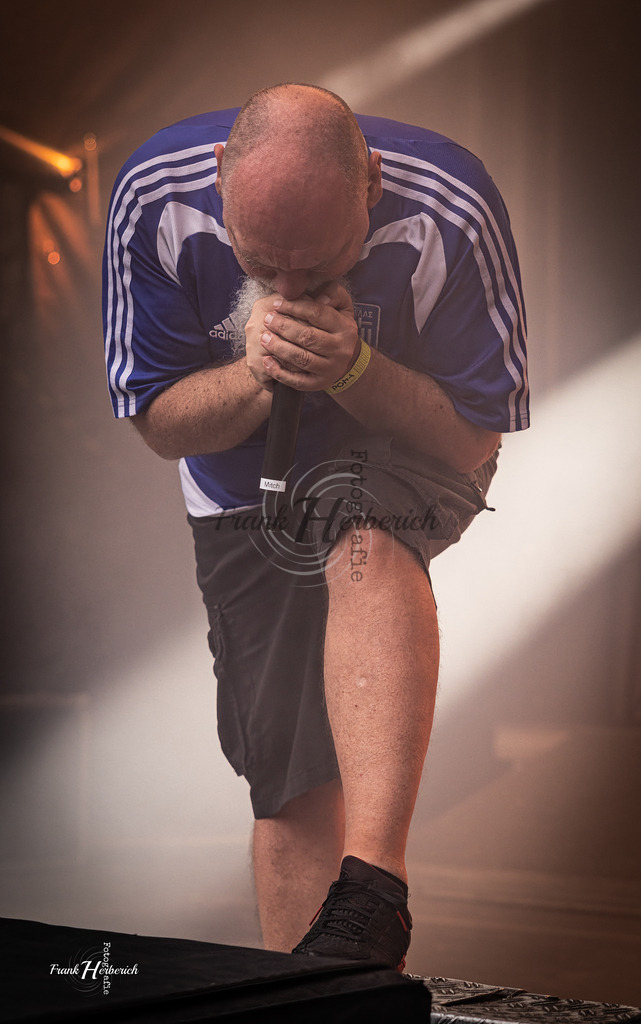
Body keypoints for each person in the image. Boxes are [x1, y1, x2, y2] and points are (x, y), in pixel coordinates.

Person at [103, 83, 528, 971]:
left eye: (321, 259)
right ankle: (314, 993)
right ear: (219, 179)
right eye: (263, 260)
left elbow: (470, 433)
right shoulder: (153, 196)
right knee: (290, 780)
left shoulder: (451, 204)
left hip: (406, 446)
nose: (289, 287)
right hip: (237, 481)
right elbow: (159, 425)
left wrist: (354, 370)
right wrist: (259, 372)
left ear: (371, 183)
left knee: (357, 524)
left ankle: (373, 889)